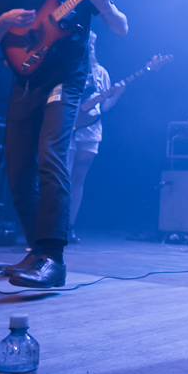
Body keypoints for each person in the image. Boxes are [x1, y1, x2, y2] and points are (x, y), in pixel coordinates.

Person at [0, 0, 128, 288]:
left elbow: (121, 27)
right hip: (25, 82)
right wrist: (6, 19)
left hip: (66, 81)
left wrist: (105, 3)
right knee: (17, 172)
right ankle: (37, 249)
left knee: (51, 156)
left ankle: (54, 259)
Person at [67, 31, 125, 242]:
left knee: (78, 178)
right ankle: (54, 226)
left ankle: (70, 226)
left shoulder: (102, 73)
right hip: (69, 126)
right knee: (63, 175)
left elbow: (105, 106)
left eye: (92, 45)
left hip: (91, 130)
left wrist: (117, 94)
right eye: (87, 44)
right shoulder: (70, 68)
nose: (90, 48)